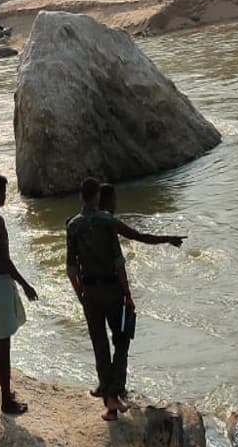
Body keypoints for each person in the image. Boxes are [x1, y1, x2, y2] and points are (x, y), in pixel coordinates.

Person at [66, 178, 184, 421]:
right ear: (97, 197)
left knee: (99, 344)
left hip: (90, 292)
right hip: (112, 290)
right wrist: (128, 295)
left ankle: (107, 395)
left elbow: (71, 268)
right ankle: (114, 392)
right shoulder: (107, 222)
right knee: (121, 338)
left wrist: (81, 295)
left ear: (81, 197)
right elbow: (127, 251)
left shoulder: (73, 226)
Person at [0, 172, 38, 415]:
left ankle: (5, 392)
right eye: (4, 190)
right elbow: (5, 260)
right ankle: (5, 400)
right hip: (0, 285)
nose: (6, 194)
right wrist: (25, 284)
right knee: (4, 347)